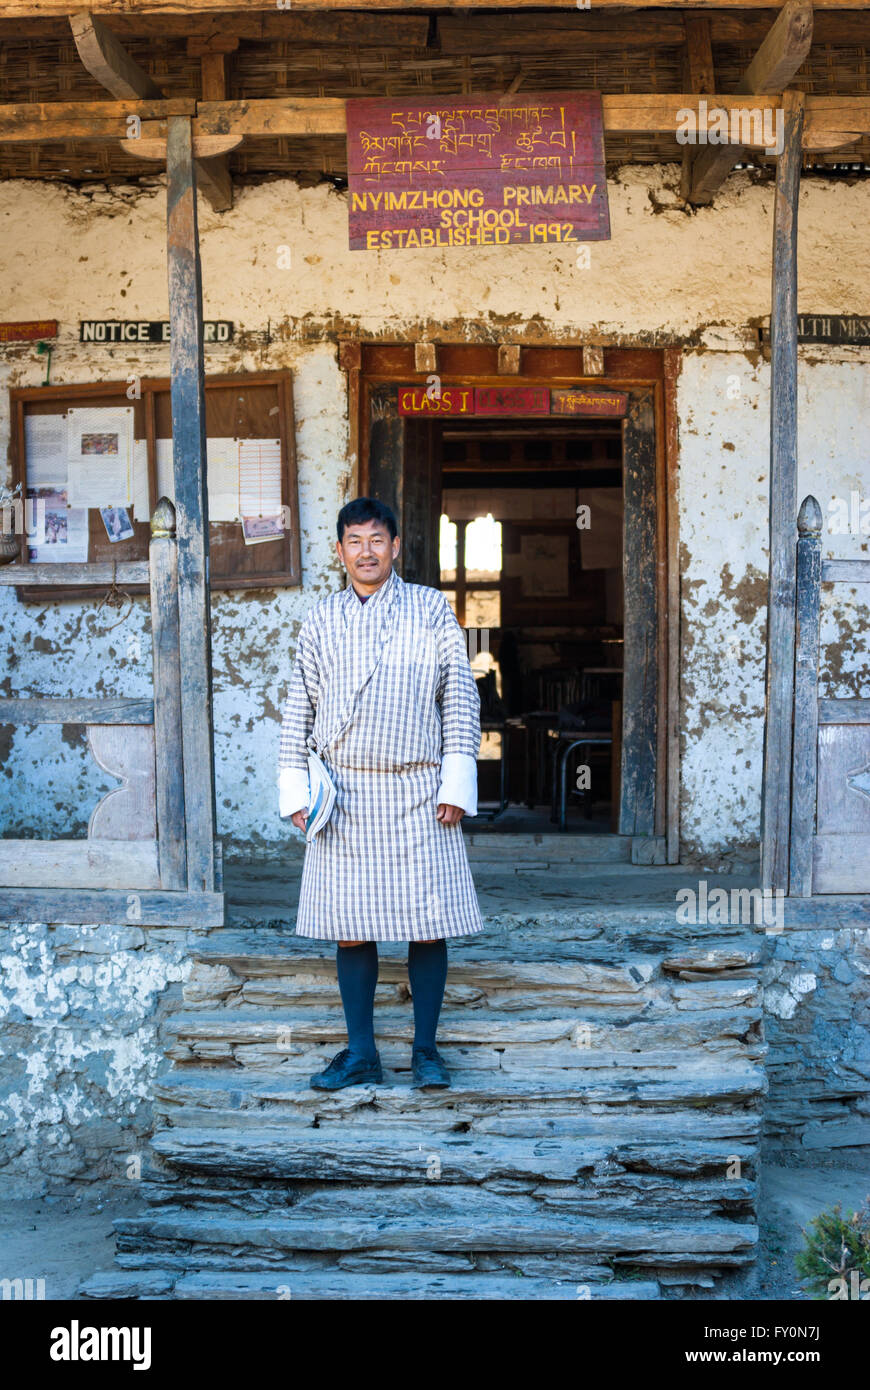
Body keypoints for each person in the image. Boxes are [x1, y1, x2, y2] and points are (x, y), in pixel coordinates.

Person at [278, 497, 484, 1091]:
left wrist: (455, 781)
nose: (366, 552)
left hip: (418, 786)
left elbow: (460, 698)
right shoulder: (321, 620)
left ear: (395, 547)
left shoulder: (429, 609)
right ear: (339, 551)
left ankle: (425, 1052)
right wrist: (295, 786)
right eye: (354, 541)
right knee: (350, 924)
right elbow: (300, 707)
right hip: (344, 792)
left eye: (377, 540)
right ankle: (362, 1052)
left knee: (427, 922)